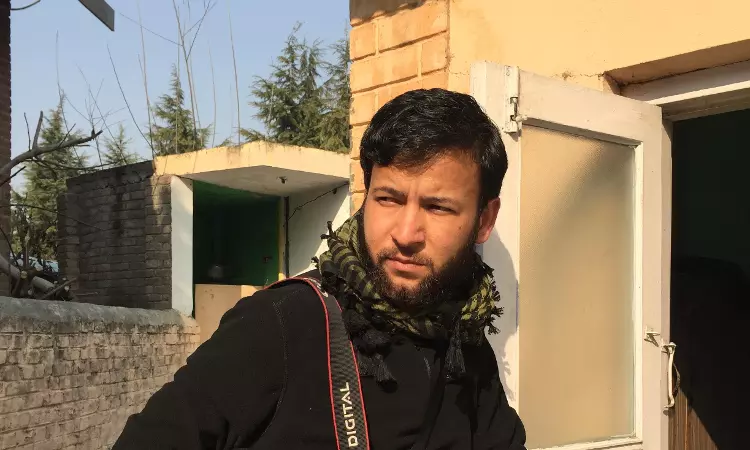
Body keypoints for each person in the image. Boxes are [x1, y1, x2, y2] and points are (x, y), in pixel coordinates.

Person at [113, 88, 526, 449]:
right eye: (388, 199)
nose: (405, 233)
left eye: (437, 207)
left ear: (484, 220)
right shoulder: (282, 323)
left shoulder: (466, 343)